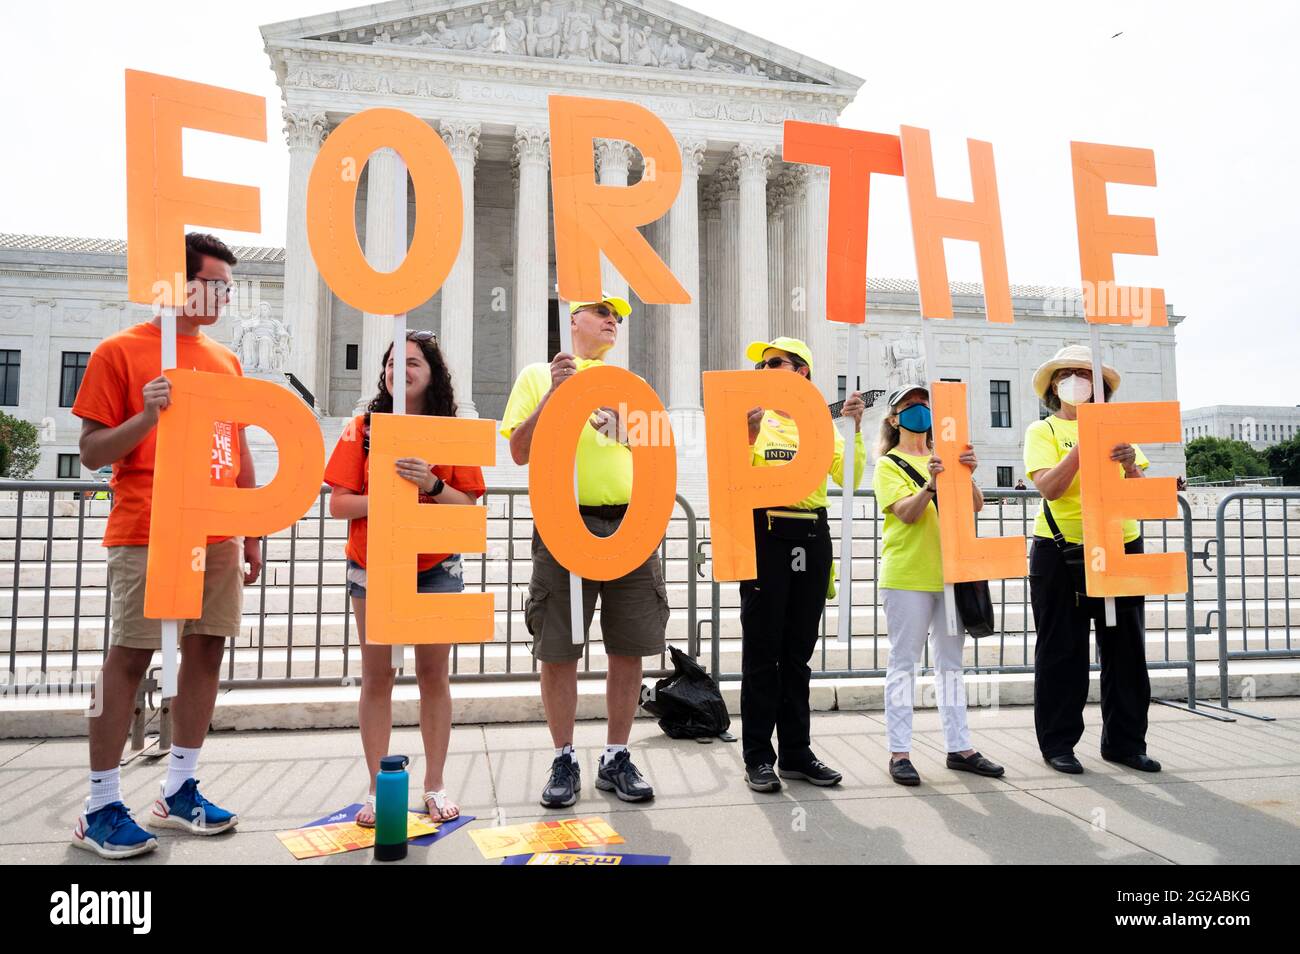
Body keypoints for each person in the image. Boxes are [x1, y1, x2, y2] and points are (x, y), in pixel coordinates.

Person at [70, 233, 259, 858]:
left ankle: (179, 789)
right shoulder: (119, 352)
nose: (225, 296)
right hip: (146, 528)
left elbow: (238, 449)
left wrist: (251, 527)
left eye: (229, 287)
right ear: (179, 283)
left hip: (217, 531)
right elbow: (92, 452)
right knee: (127, 658)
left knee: (207, 652)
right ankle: (99, 804)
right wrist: (148, 417)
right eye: (216, 284)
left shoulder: (226, 361)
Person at [501, 294, 668, 808]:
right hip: (563, 522)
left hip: (631, 523)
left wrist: (622, 430)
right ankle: (564, 756)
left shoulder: (633, 387)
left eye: (617, 316)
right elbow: (519, 451)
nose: (612, 320)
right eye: (601, 312)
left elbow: (657, 449)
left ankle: (617, 754)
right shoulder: (535, 375)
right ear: (572, 321)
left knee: (629, 646)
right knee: (559, 648)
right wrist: (556, 395)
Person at [324, 331, 485, 825]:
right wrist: (390, 497)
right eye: (393, 362)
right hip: (373, 566)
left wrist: (431, 484)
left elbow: (469, 506)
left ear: (433, 373)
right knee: (377, 678)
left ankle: (435, 785)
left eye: (413, 362)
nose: (401, 369)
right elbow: (338, 504)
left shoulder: (451, 431)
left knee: (433, 676)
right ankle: (377, 789)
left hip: (436, 566)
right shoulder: (362, 427)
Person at [1025, 345, 1160, 774]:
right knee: (1062, 650)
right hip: (1062, 549)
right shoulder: (1042, 431)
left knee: (1126, 650)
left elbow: (1141, 497)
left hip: (1120, 545)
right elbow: (1050, 487)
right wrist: (1083, 444)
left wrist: (1132, 468)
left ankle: (1125, 742)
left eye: (1087, 375)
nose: (1079, 381)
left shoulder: (1122, 432)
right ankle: (1059, 743)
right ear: (1055, 386)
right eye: (1070, 374)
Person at [739, 337, 865, 793]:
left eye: (775, 363)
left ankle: (796, 752)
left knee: (797, 654)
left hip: (812, 533)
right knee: (761, 652)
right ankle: (757, 756)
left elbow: (848, 478)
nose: (765, 370)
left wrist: (853, 432)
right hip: (765, 534)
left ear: (802, 372)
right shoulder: (754, 419)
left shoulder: (821, 425)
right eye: (761, 365)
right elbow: (732, 478)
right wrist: (746, 437)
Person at [872, 384, 1005, 786]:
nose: (919, 412)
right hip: (908, 575)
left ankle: (960, 747)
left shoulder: (945, 456)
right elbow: (907, 514)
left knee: (950, 666)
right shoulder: (888, 464)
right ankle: (899, 752)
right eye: (909, 406)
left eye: (923, 405)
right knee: (904, 663)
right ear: (894, 419)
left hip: (951, 575)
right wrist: (930, 485)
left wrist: (967, 473)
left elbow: (976, 505)